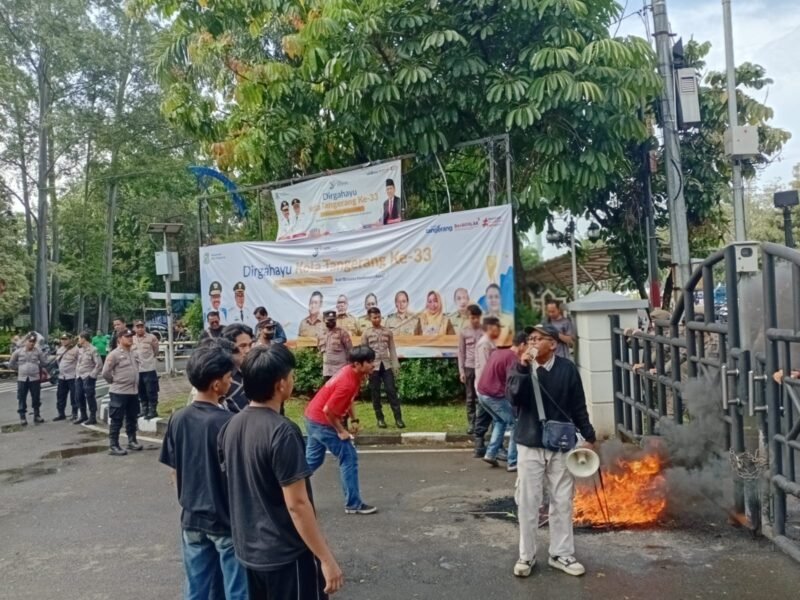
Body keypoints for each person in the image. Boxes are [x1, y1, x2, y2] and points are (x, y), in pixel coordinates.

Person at [219, 344, 344, 599]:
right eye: (291, 375)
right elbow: (297, 504)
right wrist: (326, 558)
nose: (292, 380)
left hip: (250, 550)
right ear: (281, 384)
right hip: (285, 554)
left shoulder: (231, 425)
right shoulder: (282, 432)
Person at [506, 324, 596, 578]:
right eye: (530, 339)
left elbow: (578, 405)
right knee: (528, 501)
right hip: (529, 443)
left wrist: (589, 435)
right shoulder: (520, 367)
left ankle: (561, 553)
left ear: (553, 344)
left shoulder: (567, 369)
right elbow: (512, 398)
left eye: (538, 338)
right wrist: (523, 368)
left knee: (562, 500)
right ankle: (526, 555)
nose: (532, 343)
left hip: (561, 444)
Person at [159, 341, 247, 600]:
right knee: (237, 591)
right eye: (229, 377)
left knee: (196, 589)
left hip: (191, 518)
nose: (231, 381)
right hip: (225, 520)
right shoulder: (229, 423)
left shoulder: (178, 418)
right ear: (216, 384)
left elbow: (175, 471)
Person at [305, 345, 378, 516]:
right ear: (357, 364)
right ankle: (353, 504)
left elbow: (349, 399)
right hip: (322, 422)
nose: (373, 365)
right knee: (348, 456)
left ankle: (281, 488)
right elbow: (328, 411)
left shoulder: (352, 373)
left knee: (311, 462)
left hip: (312, 418)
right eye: (369, 362)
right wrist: (341, 431)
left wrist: (354, 419)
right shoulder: (347, 382)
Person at [477, 332, 529, 472]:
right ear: (522, 345)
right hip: (494, 396)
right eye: (528, 345)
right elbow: (512, 384)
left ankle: (490, 453)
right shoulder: (513, 358)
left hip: (482, 394)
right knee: (515, 424)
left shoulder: (499, 352)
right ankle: (513, 461)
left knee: (500, 421)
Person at [102, 327, 144, 456]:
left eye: (131, 336)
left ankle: (132, 440)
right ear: (120, 339)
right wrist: (114, 381)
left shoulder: (133, 353)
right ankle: (113, 445)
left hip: (133, 391)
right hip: (119, 391)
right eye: (127, 337)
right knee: (117, 419)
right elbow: (106, 372)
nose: (130, 339)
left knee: (132, 417)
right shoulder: (114, 354)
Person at [362, 307, 404, 429]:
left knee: (391, 391)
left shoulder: (387, 332)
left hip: (386, 365)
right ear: (369, 318)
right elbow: (364, 352)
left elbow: (392, 349)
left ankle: (398, 419)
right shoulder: (366, 333)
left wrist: (395, 365)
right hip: (373, 367)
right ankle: (380, 419)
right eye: (374, 317)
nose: (377, 319)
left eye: (379, 317)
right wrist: (365, 370)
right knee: (375, 393)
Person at [473, 316, 502, 458]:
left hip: (488, 386)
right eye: (497, 327)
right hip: (486, 386)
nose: (499, 330)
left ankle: (492, 446)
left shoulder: (490, 342)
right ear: (490, 327)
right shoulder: (484, 343)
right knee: (486, 415)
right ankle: (480, 445)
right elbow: (486, 368)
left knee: (492, 416)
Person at [9, 333, 49, 426]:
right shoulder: (18, 352)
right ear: (25, 341)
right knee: (21, 398)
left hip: (34, 378)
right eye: (30, 341)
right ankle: (22, 417)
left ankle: (37, 415)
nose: (31, 343)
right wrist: (20, 368)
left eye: (33, 341)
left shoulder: (38, 351)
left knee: (36, 397)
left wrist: (37, 366)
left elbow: (44, 363)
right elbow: (11, 364)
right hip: (22, 378)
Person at [457, 304, 483, 435]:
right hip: (469, 367)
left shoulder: (485, 331)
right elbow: (461, 352)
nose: (475, 320)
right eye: (472, 317)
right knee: (470, 397)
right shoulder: (464, 332)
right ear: (468, 317)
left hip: (482, 368)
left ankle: (481, 423)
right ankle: (471, 423)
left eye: (477, 317)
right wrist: (461, 371)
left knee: (482, 397)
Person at [220, 323, 255, 412]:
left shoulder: (255, 371)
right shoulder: (220, 376)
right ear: (228, 349)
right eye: (242, 346)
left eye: (250, 345)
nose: (248, 350)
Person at [132, 320, 161, 420]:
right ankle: (144, 409)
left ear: (145, 327)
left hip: (149, 368)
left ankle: (153, 410)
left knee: (151, 390)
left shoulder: (151, 338)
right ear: (134, 328)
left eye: (142, 326)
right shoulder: (132, 339)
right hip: (137, 369)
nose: (140, 329)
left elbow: (156, 351)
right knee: (141, 390)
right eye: (138, 327)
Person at [75, 331, 102, 425]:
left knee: (90, 396)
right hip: (79, 376)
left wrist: (92, 376)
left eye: (79, 338)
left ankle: (92, 416)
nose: (78, 340)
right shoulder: (80, 349)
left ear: (83, 339)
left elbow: (99, 365)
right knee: (79, 396)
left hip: (88, 376)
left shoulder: (93, 350)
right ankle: (83, 415)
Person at [320, 310, 353, 381]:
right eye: (329, 320)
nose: (331, 322)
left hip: (340, 368)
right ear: (324, 320)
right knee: (328, 387)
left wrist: (349, 365)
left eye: (333, 320)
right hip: (327, 369)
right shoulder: (321, 333)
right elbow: (320, 350)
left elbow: (350, 349)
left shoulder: (342, 332)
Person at [54, 334, 80, 421]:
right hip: (62, 377)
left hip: (72, 376)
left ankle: (74, 413)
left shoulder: (76, 349)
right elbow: (58, 362)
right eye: (62, 339)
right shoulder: (60, 349)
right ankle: (61, 413)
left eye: (65, 339)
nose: (63, 340)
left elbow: (80, 362)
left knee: (74, 396)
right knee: (60, 396)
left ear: (70, 339)